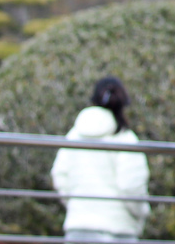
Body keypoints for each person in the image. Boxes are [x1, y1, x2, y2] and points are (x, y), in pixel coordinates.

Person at [50, 76, 150, 243]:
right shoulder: (125, 138)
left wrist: (77, 204)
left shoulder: (74, 135)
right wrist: (142, 212)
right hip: (119, 229)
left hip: (79, 228)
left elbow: (60, 175)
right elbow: (132, 185)